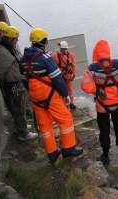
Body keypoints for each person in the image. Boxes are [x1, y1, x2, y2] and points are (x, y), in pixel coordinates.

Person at [20, 27, 83, 164]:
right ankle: (68, 149)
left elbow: (24, 79)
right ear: (43, 41)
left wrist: (32, 93)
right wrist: (65, 95)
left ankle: (52, 153)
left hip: (35, 97)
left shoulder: (23, 59)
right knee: (65, 119)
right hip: (49, 95)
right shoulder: (45, 58)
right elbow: (57, 78)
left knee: (45, 125)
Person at [81, 39, 118, 165]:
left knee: (104, 131)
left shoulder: (92, 68)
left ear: (96, 53)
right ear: (108, 52)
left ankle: (106, 156)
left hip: (102, 106)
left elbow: (85, 86)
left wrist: (97, 89)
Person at [0, 25, 38, 141]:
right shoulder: (3, 53)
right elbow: (0, 72)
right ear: (10, 39)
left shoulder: (6, 49)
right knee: (18, 109)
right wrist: (5, 89)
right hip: (12, 85)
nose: (17, 41)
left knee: (20, 108)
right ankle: (23, 133)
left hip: (14, 83)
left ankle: (22, 127)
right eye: (16, 39)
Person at [51, 40, 77, 109]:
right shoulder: (55, 56)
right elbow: (52, 66)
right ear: (61, 49)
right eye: (63, 49)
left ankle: (71, 103)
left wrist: (74, 74)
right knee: (61, 91)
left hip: (68, 76)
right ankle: (64, 104)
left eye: (65, 49)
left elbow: (73, 65)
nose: (64, 50)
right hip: (60, 77)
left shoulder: (70, 55)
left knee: (70, 90)